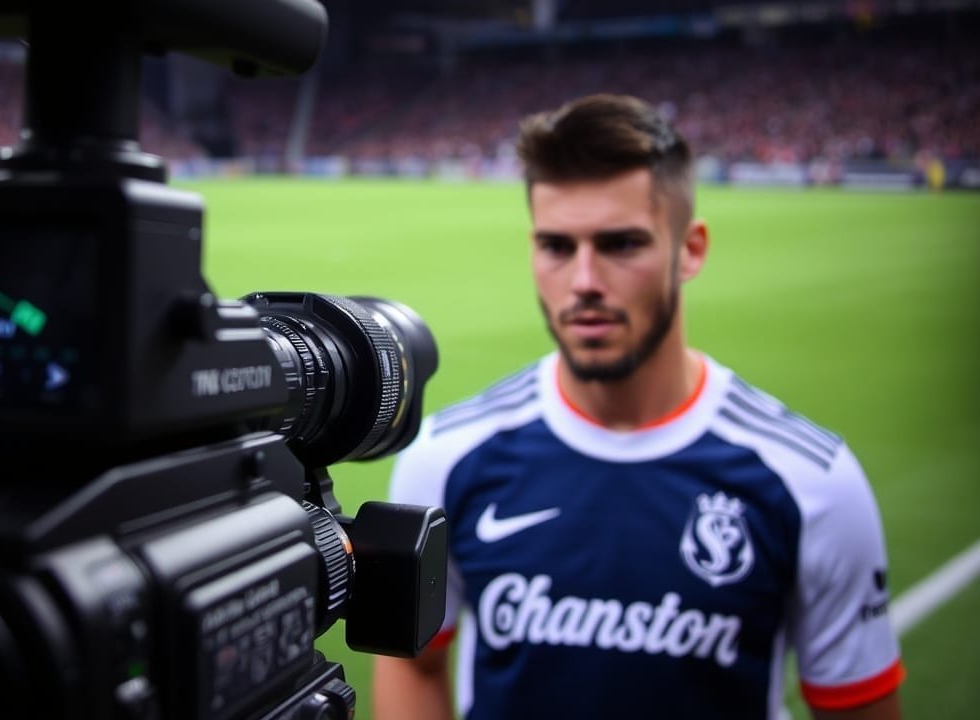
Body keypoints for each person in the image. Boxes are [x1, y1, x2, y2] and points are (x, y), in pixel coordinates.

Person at [373, 94, 904, 720]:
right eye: (556, 247)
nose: (584, 281)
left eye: (621, 244)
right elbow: (412, 662)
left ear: (691, 249)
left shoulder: (812, 482)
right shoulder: (445, 456)